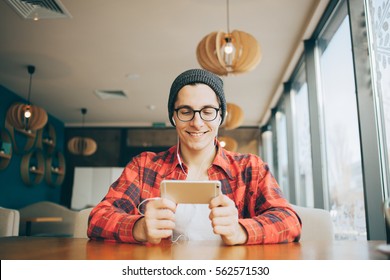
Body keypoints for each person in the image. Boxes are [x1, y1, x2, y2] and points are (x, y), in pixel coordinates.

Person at [87, 68, 301, 245]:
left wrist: (240, 232)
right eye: (186, 111)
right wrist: (138, 227)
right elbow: (97, 218)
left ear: (221, 116)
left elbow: (289, 220)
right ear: (173, 116)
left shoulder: (250, 168)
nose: (197, 123)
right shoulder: (143, 166)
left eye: (208, 111)